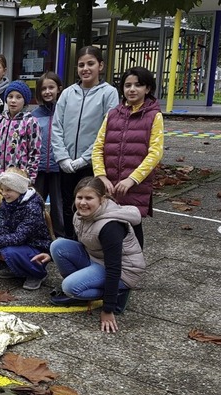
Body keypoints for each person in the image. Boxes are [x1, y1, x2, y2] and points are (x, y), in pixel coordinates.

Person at [32, 177, 145, 333]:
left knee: (69, 287)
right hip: (97, 259)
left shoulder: (110, 226)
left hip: (123, 272)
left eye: (89, 198)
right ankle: (82, 290)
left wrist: (108, 309)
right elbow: (79, 239)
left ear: (102, 199)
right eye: (80, 197)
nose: (83, 202)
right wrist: (50, 256)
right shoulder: (80, 214)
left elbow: (114, 267)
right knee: (57, 245)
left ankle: (117, 294)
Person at [91, 66, 164, 249]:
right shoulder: (112, 114)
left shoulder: (154, 116)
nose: (132, 89)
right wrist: (101, 176)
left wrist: (132, 180)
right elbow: (98, 147)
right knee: (108, 225)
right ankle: (111, 266)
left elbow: (155, 153)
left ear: (147, 89)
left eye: (138, 85)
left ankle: (133, 269)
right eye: (127, 85)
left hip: (134, 186)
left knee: (133, 226)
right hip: (109, 184)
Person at [51, 46, 119, 239]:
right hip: (66, 164)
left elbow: (106, 130)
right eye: (81, 65)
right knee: (69, 204)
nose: (85, 69)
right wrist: (63, 157)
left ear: (101, 65)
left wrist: (85, 158)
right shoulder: (68, 93)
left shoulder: (109, 93)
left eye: (90, 63)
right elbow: (57, 126)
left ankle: (89, 244)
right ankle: (70, 242)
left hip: (91, 164)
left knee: (90, 205)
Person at [0, 168, 52, 289]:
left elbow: (20, 237)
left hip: (36, 246)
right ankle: (18, 270)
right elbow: (6, 227)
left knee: (9, 251)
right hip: (23, 244)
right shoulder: (8, 202)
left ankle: (37, 274)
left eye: (8, 190)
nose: (4, 194)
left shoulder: (32, 207)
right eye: (3, 190)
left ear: (20, 189)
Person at [32, 71, 65, 238]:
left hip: (59, 167)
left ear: (59, 89)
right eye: (43, 88)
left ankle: (60, 238)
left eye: (51, 87)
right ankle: (39, 237)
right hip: (38, 168)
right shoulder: (34, 116)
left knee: (59, 206)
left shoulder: (64, 112)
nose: (47, 92)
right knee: (36, 204)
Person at [0, 80, 41, 181]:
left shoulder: (30, 122)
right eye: (10, 96)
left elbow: (35, 152)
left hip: (19, 177)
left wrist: (30, 177)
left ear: (25, 100)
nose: (13, 100)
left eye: (18, 97)